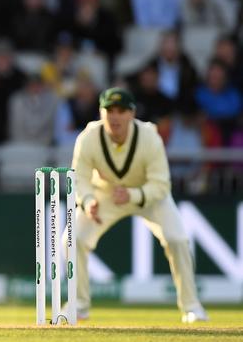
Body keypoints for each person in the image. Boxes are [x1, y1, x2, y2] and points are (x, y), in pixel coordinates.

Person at [70, 87, 208, 323]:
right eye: (109, 110)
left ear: (132, 113)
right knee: (73, 240)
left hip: (148, 196)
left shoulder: (149, 137)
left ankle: (192, 307)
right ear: (101, 113)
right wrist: (88, 201)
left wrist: (134, 195)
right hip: (106, 195)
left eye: (121, 110)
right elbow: (79, 178)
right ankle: (79, 305)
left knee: (177, 239)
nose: (115, 117)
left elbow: (161, 185)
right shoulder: (88, 137)